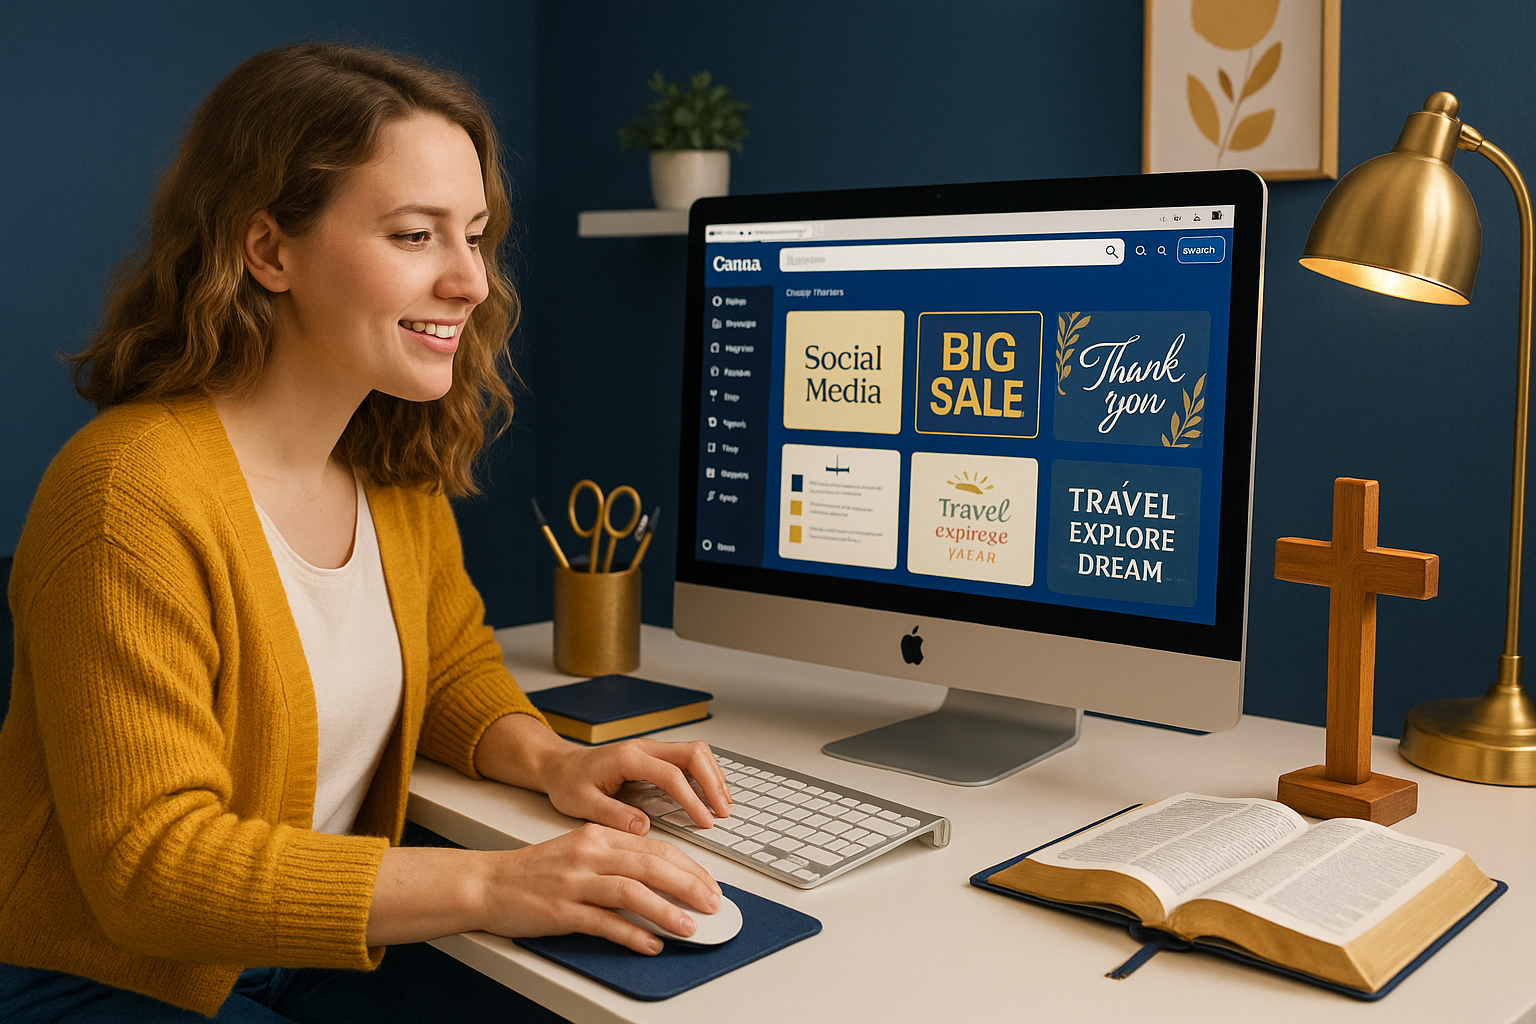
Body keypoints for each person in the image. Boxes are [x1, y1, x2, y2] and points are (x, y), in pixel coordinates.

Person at [0, 42, 731, 1022]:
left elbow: (448, 668)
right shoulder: (127, 493)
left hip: (297, 953)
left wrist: (555, 762)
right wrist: (496, 883)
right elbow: (152, 867)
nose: (470, 282)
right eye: (415, 235)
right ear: (268, 251)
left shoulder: (384, 462)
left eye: (475, 235)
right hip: (100, 977)